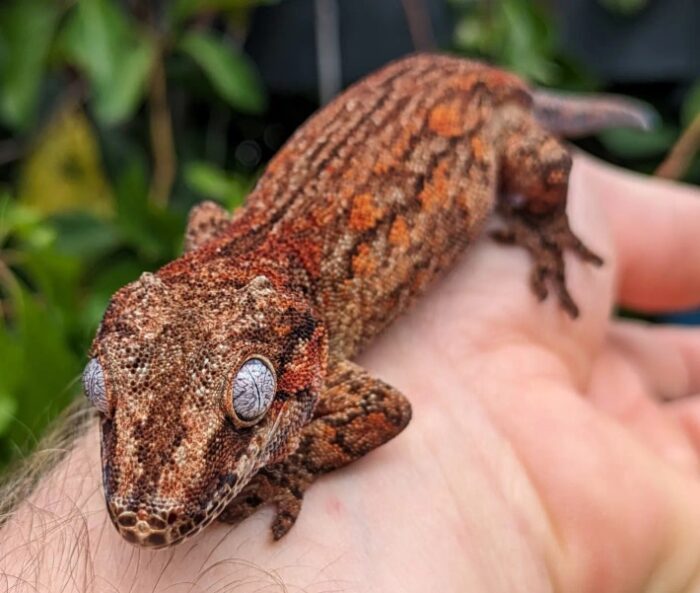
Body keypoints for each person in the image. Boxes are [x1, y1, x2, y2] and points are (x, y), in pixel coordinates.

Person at [1, 153, 699, 593]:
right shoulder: (240, 289)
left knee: (544, 167)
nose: (141, 507)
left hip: (468, 118)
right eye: (102, 387)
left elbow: (386, 409)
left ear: (303, 356)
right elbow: (211, 218)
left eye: (247, 401)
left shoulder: (303, 334)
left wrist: (286, 459)